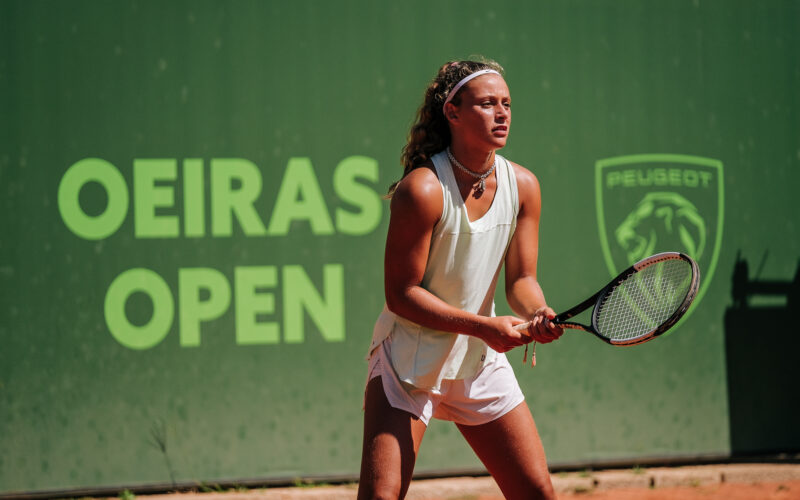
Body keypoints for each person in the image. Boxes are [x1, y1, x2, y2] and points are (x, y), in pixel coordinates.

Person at [357, 59, 564, 500]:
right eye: (487, 104)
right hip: (408, 360)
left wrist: (537, 311)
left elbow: (522, 279)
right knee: (381, 496)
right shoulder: (423, 189)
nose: (502, 113)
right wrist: (483, 327)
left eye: (507, 103)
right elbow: (401, 295)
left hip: (477, 360)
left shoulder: (524, 186)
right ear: (452, 112)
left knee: (536, 493)